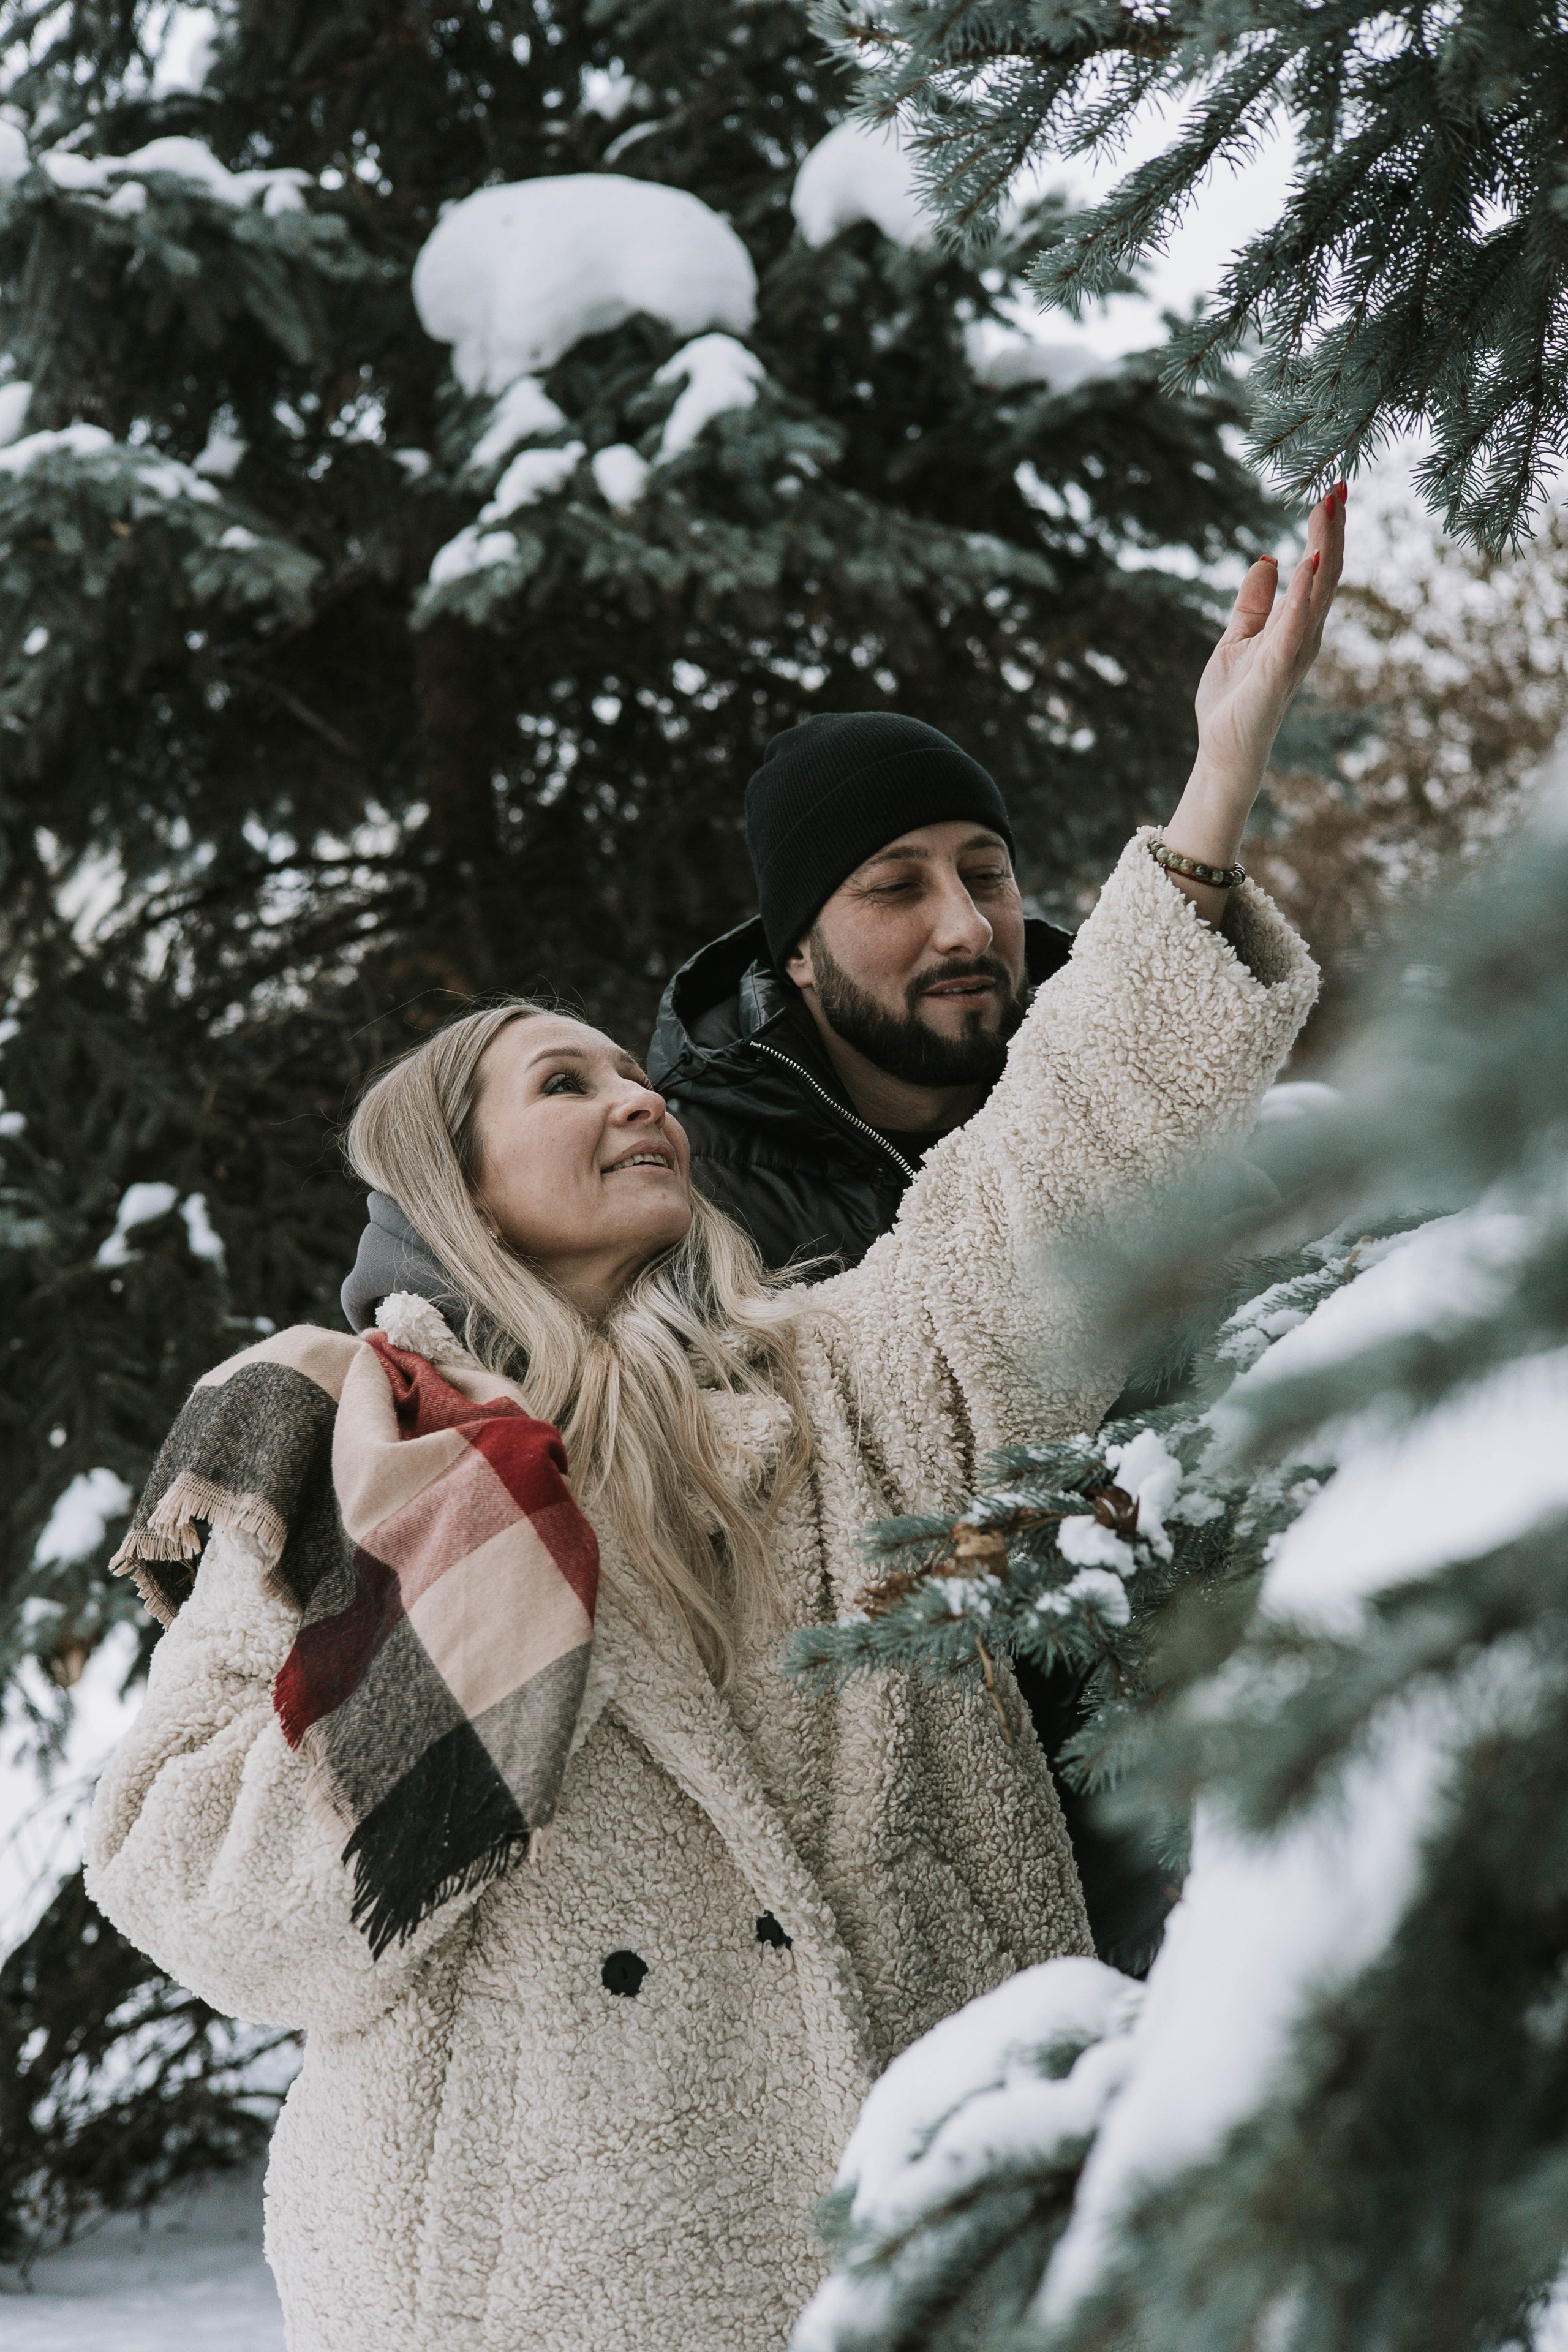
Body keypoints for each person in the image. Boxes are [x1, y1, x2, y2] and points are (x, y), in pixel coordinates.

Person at [85, 497, 1339, 2352]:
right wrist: (460, 1638)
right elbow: (207, 1893)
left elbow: (1051, 1174)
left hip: (906, 2207)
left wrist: (1217, 784)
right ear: (463, 1185)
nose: (634, 1097)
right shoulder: (349, 1449)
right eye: (562, 1080)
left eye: (630, 1068)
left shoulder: (830, 1382)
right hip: (545, 2258)